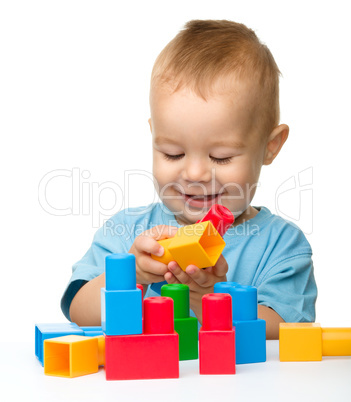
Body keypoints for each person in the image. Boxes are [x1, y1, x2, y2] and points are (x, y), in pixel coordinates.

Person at [61, 19, 317, 339]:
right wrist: (131, 274)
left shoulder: (282, 245)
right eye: (173, 153)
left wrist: (208, 300)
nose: (194, 174)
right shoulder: (127, 231)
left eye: (220, 157)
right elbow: (78, 311)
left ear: (270, 147)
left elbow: (288, 330)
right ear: (154, 136)